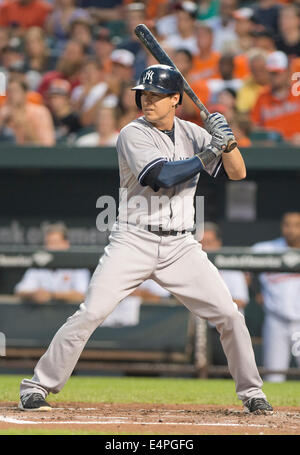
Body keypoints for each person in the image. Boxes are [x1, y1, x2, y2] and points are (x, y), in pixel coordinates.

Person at [18, 63, 273, 415]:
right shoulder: (131, 133)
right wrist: (210, 151)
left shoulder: (194, 134)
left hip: (181, 246)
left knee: (229, 315)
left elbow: (238, 172)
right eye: (144, 95)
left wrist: (226, 140)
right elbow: (161, 176)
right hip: (133, 240)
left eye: (155, 96)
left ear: (175, 100)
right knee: (90, 313)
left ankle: (253, 393)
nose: (147, 101)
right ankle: (36, 387)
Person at [252, 212, 300, 382]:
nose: (291, 229)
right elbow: (244, 266)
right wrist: (256, 292)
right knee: (274, 374)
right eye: (287, 224)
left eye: (296, 225)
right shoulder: (265, 249)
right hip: (275, 320)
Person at [15, 223, 90, 304]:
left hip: (70, 314)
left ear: (66, 244)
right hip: (41, 314)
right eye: (49, 243)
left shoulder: (77, 264)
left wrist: (51, 295)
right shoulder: (39, 264)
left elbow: (82, 295)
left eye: (56, 242)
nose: (52, 247)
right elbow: (20, 291)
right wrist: (33, 294)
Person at [199, 222, 249, 313]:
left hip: (224, 324)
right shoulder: (190, 267)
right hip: (196, 323)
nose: (204, 247)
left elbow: (240, 301)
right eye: (200, 243)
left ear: (218, 243)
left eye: (209, 243)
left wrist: (208, 305)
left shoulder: (231, 266)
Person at [251, 50, 300, 145]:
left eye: (277, 73)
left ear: (288, 72)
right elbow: (255, 127)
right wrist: (264, 138)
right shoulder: (262, 97)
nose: (273, 76)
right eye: (271, 73)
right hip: (273, 151)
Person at [0, 79, 55, 145]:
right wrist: (2, 122)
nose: (11, 95)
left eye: (15, 91)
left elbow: (47, 145)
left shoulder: (40, 112)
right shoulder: (4, 112)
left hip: (34, 153)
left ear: (25, 93)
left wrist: (24, 123)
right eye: (9, 92)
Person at [47, 78, 82, 143]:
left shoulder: (76, 119)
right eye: (52, 97)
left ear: (67, 98)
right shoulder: (48, 117)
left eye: (58, 97)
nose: (54, 100)